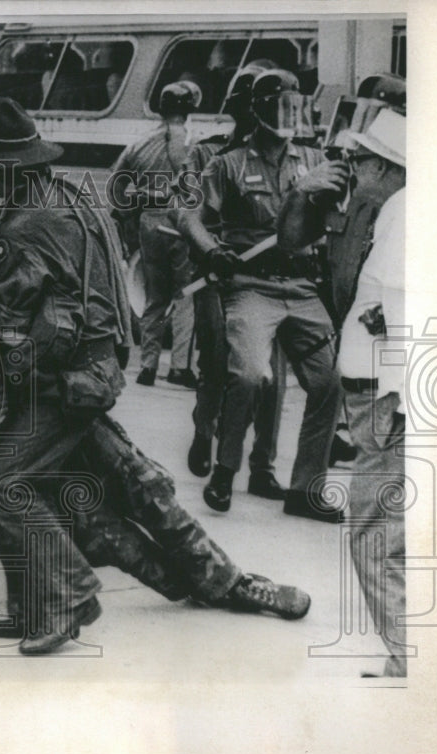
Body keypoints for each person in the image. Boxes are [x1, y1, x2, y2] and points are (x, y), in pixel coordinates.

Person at [0, 98, 312, 653]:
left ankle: (69, 596)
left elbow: (35, 319)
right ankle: (207, 582)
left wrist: (0, 353)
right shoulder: (62, 196)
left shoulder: (30, 222)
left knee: (7, 483)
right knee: (128, 488)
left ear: (5, 168)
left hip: (65, 379)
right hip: (89, 370)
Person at [181, 70, 343, 521]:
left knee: (331, 382)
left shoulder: (315, 160)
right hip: (251, 286)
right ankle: (226, 469)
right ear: (257, 110)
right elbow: (189, 216)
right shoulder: (226, 163)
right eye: (279, 106)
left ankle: (306, 490)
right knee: (252, 376)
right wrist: (212, 250)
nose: (288, 116)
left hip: (303, 286)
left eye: (295, 105)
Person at [280, 106, 408, 677]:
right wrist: (305, 195)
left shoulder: (405, 217)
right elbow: (291, 241)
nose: (349, 168)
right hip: (381, 392)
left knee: (373, 538)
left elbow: (407, 306)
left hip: (387, 396)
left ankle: (411, 662)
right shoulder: (372, 208)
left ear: (385, 166)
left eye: (359, 161)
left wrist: (404, 399)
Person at [176, 64, 287, 504]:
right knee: (218, 365)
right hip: (214, 274)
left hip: (265, 277)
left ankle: (263, 464)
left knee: (270, 375)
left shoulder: (286, 153)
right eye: (248, 107)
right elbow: (185, 211)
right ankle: (206, 430)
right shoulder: (208, 154)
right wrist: (211, 248)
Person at [111, 81, 202, 389]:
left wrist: (128, 214)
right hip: (181, 222)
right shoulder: (193, 142)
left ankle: (147, 366)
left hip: (149, 221)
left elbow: (116, 185)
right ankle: (179, 367)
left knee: (154, 297)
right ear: (189, 109)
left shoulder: (139, 143)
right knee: (185, 295)